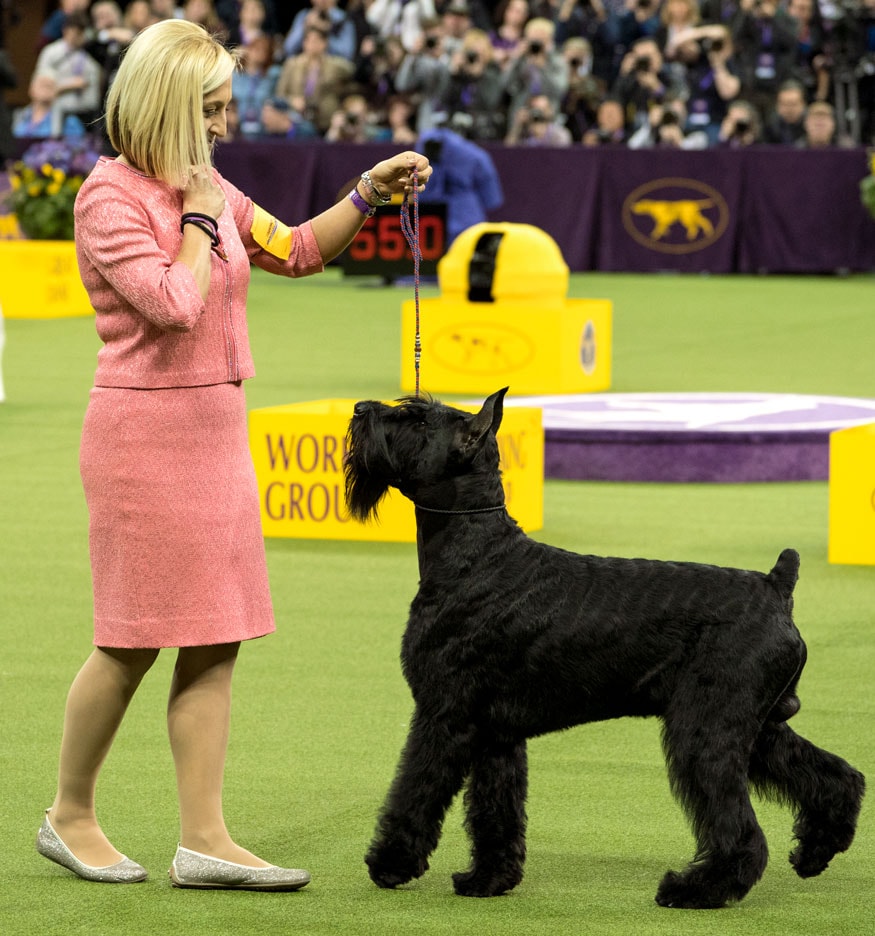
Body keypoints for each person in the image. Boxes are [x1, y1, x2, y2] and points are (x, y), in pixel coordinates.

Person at [36, 18, 430, 891]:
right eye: (210, 109)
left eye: (224, 107)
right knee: (131, 640)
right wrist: (198, 220)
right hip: (141, 437)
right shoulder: (110, 198)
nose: (225, 124)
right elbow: (173, 303)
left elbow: (295, 251)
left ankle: (204, 839)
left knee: (218, 637)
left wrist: (366, 191)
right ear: (167, 105)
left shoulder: (200, 184)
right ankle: (69, 815)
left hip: (213, 429)